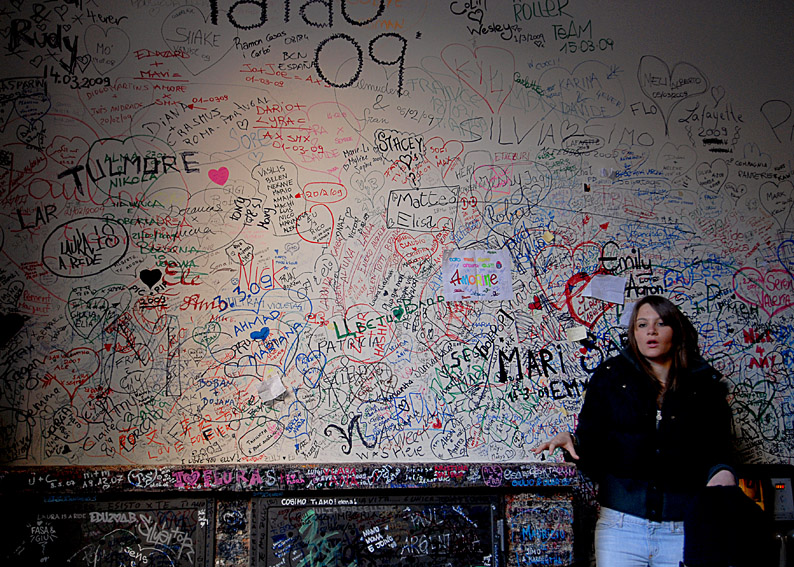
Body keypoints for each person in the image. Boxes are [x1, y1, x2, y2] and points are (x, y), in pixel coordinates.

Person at [533, 295, 736, 567]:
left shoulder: (704, 385)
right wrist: (572, 440)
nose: (651, 331)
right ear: (634, 333)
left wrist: (722, 472)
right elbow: (593, 446)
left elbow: (719, 450)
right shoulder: (610, 377)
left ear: (676, 331)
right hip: (620, 529)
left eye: (661, 323)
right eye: (642, 325)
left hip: (683, 528)